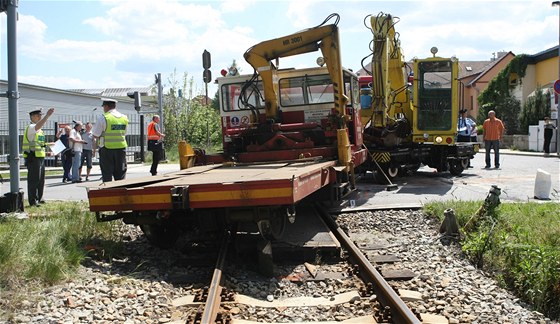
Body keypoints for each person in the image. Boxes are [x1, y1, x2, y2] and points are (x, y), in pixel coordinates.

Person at [22, 107, 55, 207]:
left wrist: (48, 146)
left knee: (40, 180)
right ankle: (33, 201)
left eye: (41, 116)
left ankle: (39, 198)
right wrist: (47, 115)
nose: (40, 117)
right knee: (34, 180)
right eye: (39, 116)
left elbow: (39, 144)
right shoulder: (32, 127)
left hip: (40, 157)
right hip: (33, 158)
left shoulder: (40, 130)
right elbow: (38, 127)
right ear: (33, 117)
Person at [92, 98, 129, 182]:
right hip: (121, 149)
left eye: (103, 107)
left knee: (107, 175)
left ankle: (108, 193)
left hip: (107, 149)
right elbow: (125, 133)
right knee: (121, 175)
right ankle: (121, 193)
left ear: (106, 106)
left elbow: (95, 134)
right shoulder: (124, 118)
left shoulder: (103, 117)